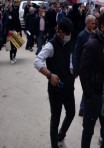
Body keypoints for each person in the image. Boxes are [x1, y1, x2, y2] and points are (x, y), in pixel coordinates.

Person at [34, 18, 75, 148]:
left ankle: (61, 136)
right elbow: (37, 62)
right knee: (55, 119)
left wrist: (71, 69)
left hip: (68, 86)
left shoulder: (68, 42)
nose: (69, 37)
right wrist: (50, 75)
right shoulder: (50, 45)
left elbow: (68, 58)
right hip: (55, 89)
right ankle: (54, 145)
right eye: (67, 34)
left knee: (71, 112)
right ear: (60, 32)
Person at [79, 14, 104, 148]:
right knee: (88, 130)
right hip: (94, 96)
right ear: (101, 27)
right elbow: (83, 71)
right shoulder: (92, 44)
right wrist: (88, 94)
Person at [73, 15, 96, 117]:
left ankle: (84, 107)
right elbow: (77, 53)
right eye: (93, 23)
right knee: (87, 88)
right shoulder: (82, 35)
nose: (94, 25)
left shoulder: (93, 34)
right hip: (84, 67)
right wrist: (76, 69)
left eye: (95, 23)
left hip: (92, 66)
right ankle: (83, 108)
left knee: (88, 88)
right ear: (87, 24)